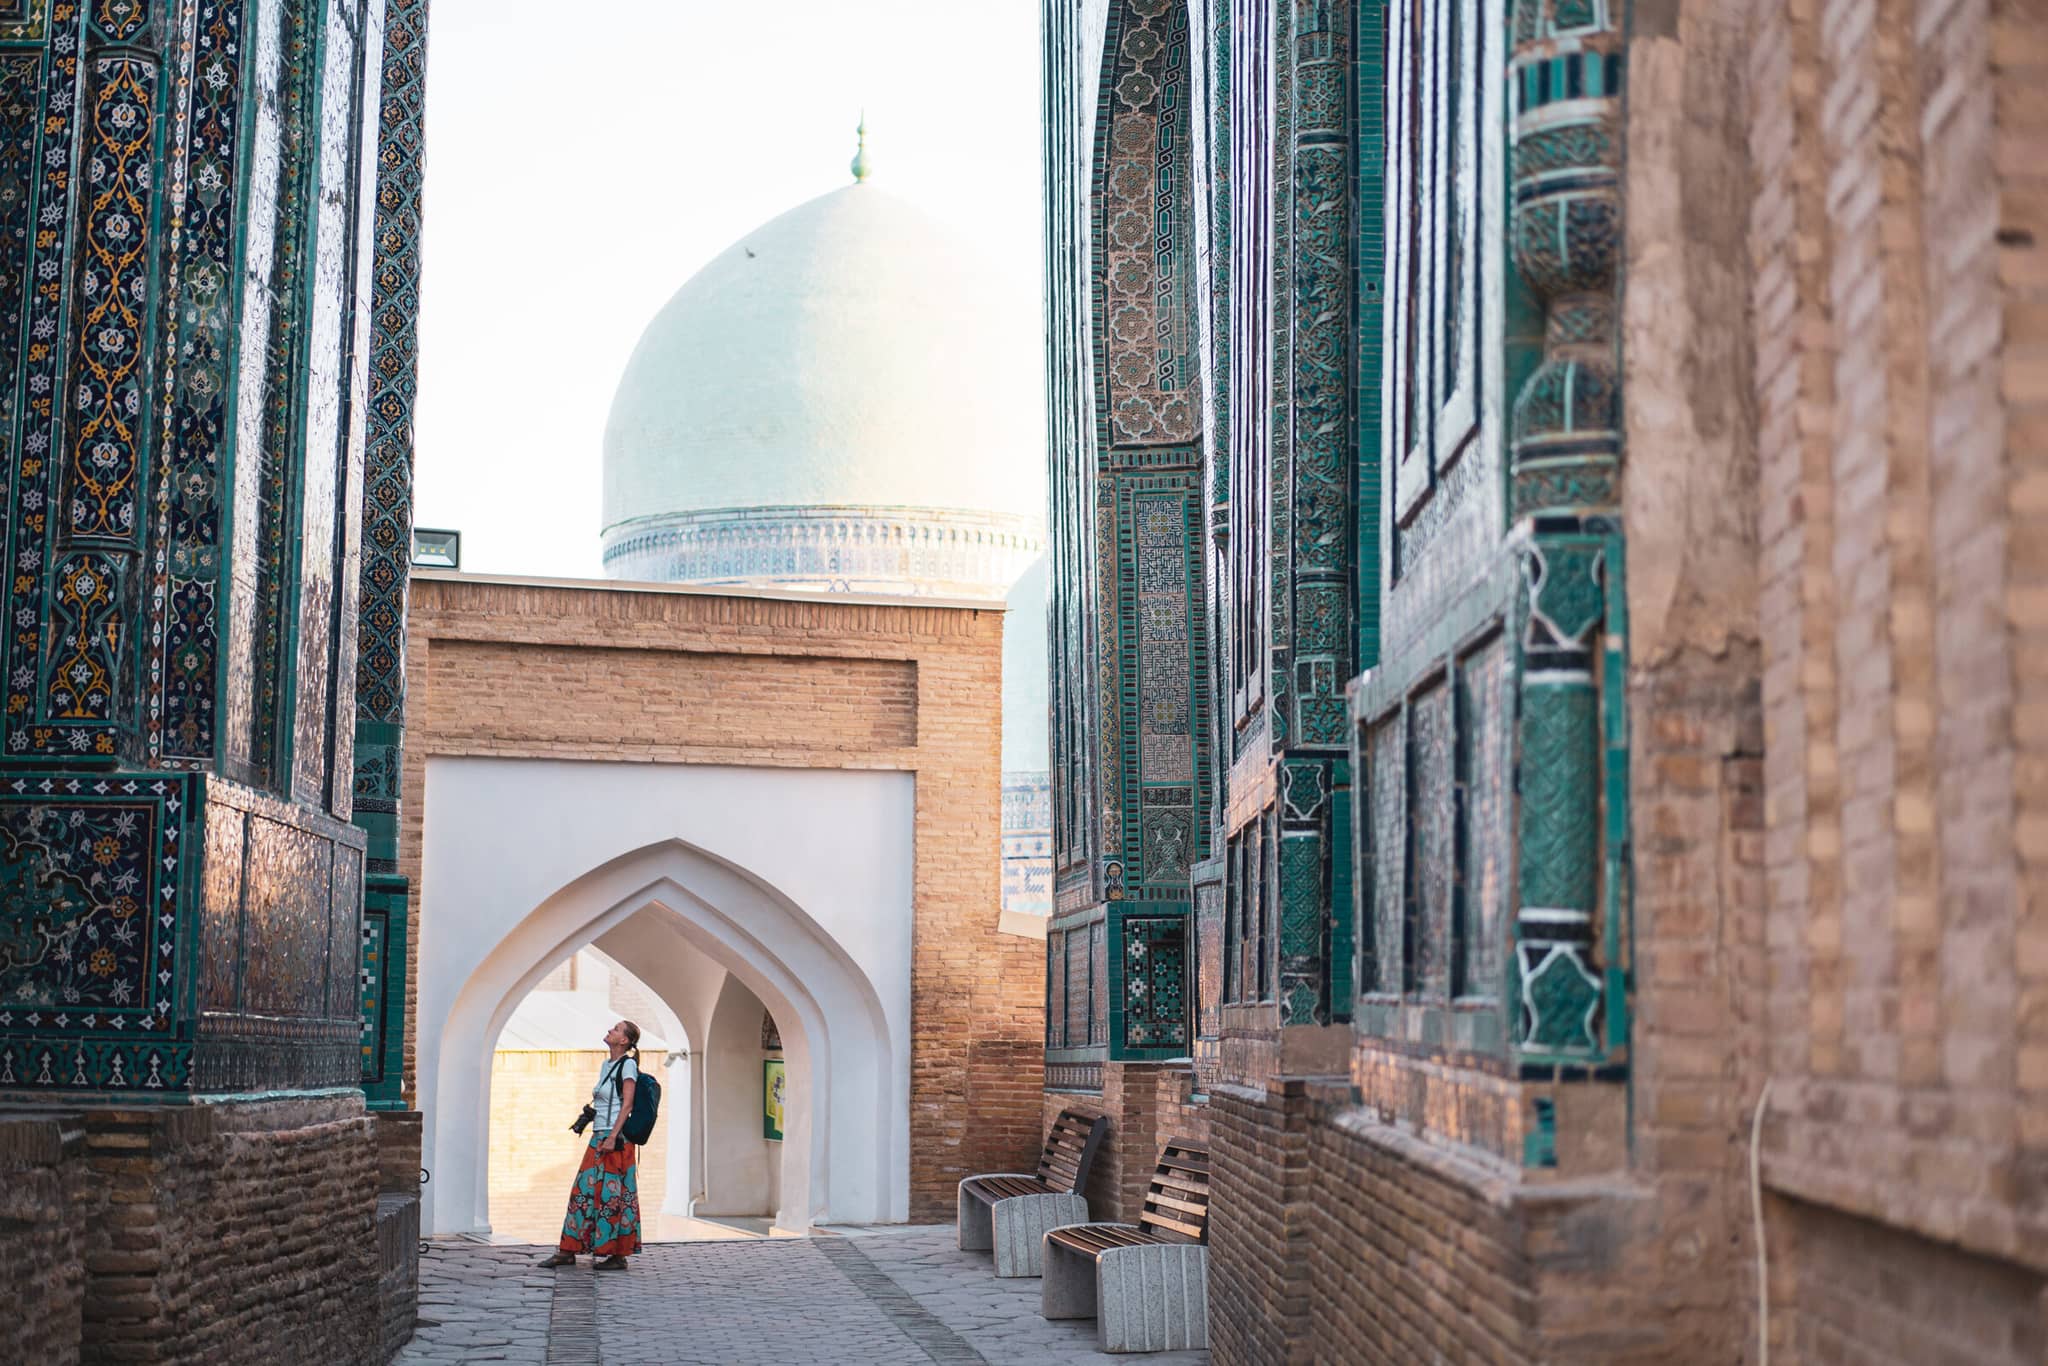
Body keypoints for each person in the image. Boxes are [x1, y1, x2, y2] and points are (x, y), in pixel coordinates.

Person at [540, 1020, 643, 1270]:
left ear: (625, 1041)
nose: (610, 1030)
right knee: (583, 1193)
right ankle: (569, 1249)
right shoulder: (606, 1065)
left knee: (613, 1196)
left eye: (617, 1029)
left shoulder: (628, 1065)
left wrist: (612, 1136)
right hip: (599, 1136)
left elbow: (627, 1104)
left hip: (615, 1140)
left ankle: (617, 1255)